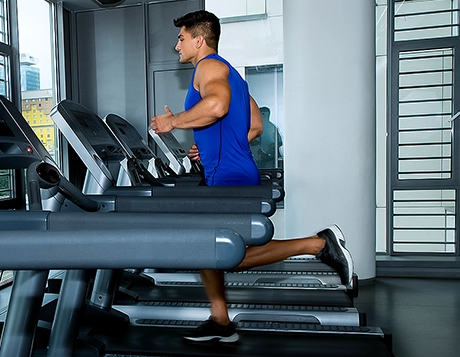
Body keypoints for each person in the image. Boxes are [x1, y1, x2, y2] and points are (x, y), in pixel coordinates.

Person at [150, 10, 353, 343]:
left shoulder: (208, 67)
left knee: (223, 253)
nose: (177, 46)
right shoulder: (235, 77)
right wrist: (212, 145)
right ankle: (220, 320)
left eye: (181, 38)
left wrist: (174, 122)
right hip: (233, 169)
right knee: (207, 246)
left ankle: (318, 243)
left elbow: (216, 107)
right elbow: (254, 126)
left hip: (228, 175)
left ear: (199, 40)